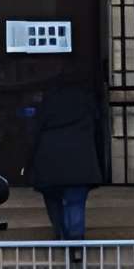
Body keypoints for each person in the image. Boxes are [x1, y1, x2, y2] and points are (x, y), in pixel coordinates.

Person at [23, 81, 108, 244]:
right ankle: (75, 239)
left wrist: (28, 163)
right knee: (76, 202)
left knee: (53, 201)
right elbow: (98, 133)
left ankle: (61, 233)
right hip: (81, 163)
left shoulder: (47, 106)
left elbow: (33, 135)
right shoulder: (86, 105)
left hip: (49, 163)